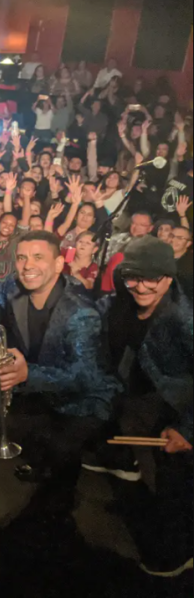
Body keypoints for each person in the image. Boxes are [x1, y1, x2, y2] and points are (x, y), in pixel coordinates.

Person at [0, 231, 118, 517]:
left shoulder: (81, 312)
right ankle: (42, 467)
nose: (27, 265)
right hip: (40, 389)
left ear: (60, 263)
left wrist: (28, 374)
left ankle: (62, 500)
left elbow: (85, 377)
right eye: (22, 258)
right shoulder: (14, 293)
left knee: (61, 452)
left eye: (38, 257)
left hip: (83, 401)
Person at [96, 238, 192, 577]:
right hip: (144, 395)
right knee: (154, 473)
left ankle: (178, 556)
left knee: (176, 485)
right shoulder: (125, 296)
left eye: (150, 278)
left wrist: (188, 429)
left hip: (180, 405)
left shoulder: (184, 317)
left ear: (168, 276)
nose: (140, 287)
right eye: (132, 277)